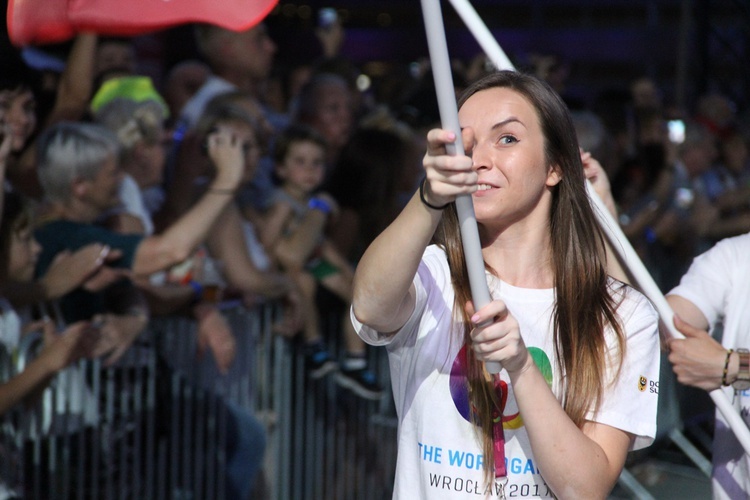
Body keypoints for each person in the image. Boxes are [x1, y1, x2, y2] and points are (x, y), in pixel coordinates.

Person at [351, 70, 660, 498]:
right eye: (467, 144)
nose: (478, 159)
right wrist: (428, 198)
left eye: (507, 139)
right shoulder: (433, 275)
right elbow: (369, 306)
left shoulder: (622, 314)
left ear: (555, 166)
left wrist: (521, 367)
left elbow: (585, 489)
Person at [261, 124, 383, 400]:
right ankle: (314, 345)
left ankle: (355, 359)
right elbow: (268, 242)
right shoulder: (281, 203)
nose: (310, 170)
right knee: (303, 282)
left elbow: (323, 245)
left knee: (357, 295)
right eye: (300, 162)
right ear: (280, 168)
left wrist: (348, 271)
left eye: (317, 163)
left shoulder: (310, 202)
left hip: (313, 262)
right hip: (293, 267)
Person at [666, 233, 750, 499]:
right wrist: (612, 244)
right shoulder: (736, 255)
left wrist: (736, 367)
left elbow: (732, 366)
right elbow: (658, 324)